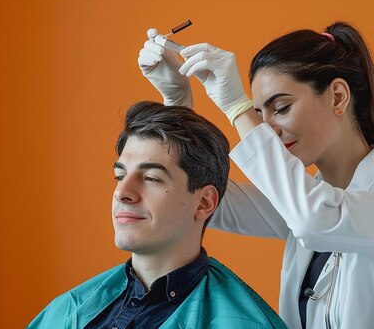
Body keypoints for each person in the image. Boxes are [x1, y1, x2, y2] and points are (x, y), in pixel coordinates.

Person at [138, 22, 374, 328]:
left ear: (337, 96)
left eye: (281, 108)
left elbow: (314, 218)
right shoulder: (299, 199)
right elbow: (201, 198)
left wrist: (236, 107)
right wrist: (178, 106)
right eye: (258, 115)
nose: (268, 129)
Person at [27, 101, 287, 329]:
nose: (122, 193)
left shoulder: (244, 321)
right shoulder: (68, 309)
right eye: (120, 176)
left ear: (204, 202)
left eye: (151, 178)